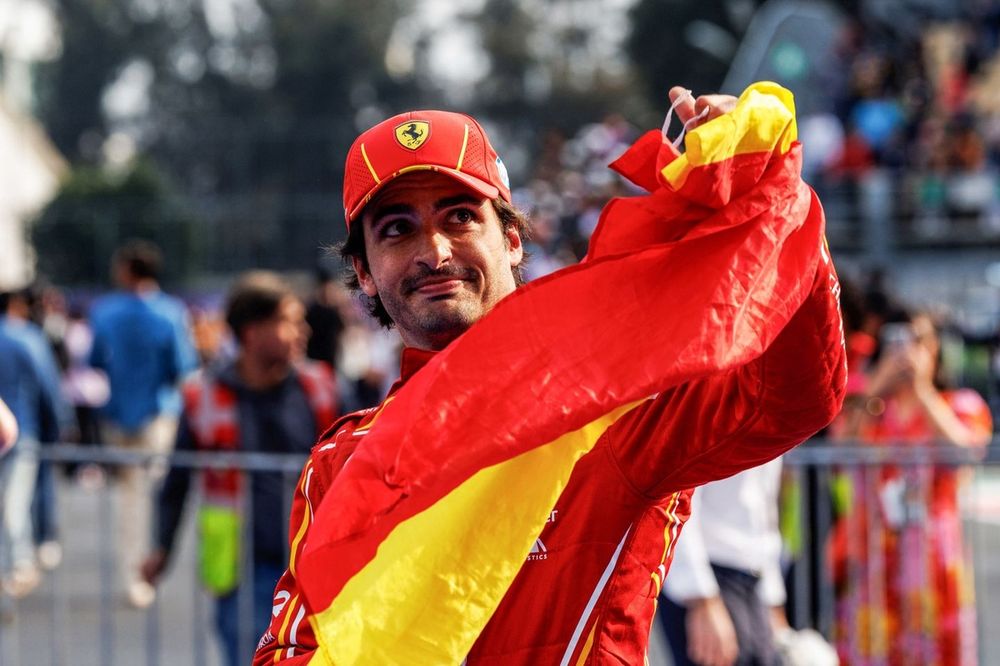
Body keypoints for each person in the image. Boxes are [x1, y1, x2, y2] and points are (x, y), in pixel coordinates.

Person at [256, 84, 847, 664]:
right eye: (397, 228)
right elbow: (293, 650)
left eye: (460, 216)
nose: (434, 250)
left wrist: (771, 192)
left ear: (512, 239)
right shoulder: (343, 461)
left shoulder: (609, 413)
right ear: (363, 271)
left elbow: (793, 399)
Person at [141, 272, 337, 666]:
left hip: (313, 563)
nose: (304, 331)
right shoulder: (202, 395)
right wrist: (162, 547)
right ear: (252, 333)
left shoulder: (321, 386)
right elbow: (177, 479)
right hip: (239, 567)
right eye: (289, 321)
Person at [830, 311, 992, 665]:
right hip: (875, 554)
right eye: (898, 341)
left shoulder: (959, 403)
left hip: (934, 557)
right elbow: (840, 447)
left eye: (917, 341)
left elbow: (967, 451)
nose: (906, 352)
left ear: (934, 349)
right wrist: (876, 384)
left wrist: (921, 390)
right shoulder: (870, 405)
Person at [88, 239, 197, 608]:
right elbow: (182, 366)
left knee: (127, 499)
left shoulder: (104, 312)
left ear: (126, 270)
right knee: (158, 494)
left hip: (119, 413)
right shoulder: (170, 313)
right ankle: (151, 567)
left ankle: (133, 574)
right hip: (158, 414)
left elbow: (95, 360)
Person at [659, 458, 786, 666]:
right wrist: (701, 599)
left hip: (751, 579)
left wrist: (772, 598)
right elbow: (677, 502)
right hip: (707, 574)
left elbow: (763, 507)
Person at [0, 295, 63, 598]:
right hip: (22, 432)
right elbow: (47, 384)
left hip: (17, 429)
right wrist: (60, 425)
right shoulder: (25, 338)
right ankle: (19, 564)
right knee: (15, 503)